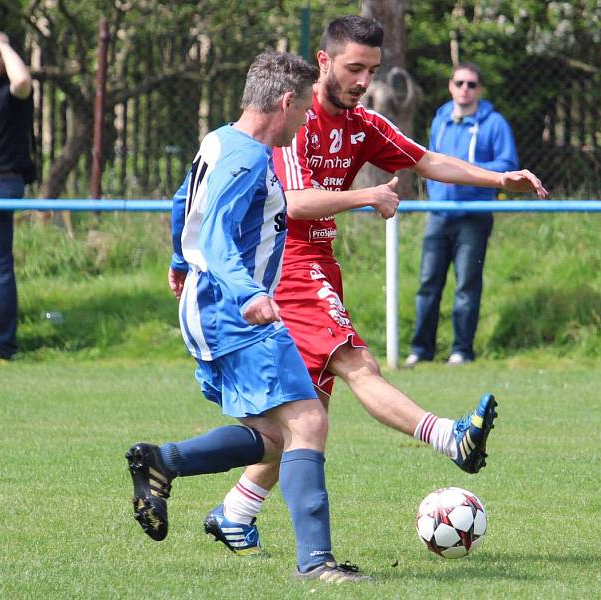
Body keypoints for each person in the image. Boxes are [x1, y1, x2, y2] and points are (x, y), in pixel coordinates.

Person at [128, 15, 547, 556]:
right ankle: (447, 438)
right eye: (354, 68)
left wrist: (498, 179)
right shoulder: (287, 120)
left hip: (317, 264)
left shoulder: (362, 123)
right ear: (324, 63)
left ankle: (231, 508)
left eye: (371, 70)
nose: (362, 80)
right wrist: (365, 197)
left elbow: (426, 159)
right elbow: (292, 201)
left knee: (299, 419)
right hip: (290, 267)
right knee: (354, 367)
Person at [126, 52, 370, 582]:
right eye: (305, 107)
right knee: (309, 420)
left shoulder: (219, 139)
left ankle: (162, 462)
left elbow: (180, 202)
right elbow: (215, 236)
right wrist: (248, 293)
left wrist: (176, 259)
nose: (308, 117)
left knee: (273, 434)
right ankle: (317, 564)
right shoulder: (251, 159)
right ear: (285, 102)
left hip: (211, 306)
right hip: (233, 311)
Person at [405, 63, 518, 367]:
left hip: (475, 215)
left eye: (471, 84)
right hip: (439, 214)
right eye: (459, 83)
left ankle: (461, 351)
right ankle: (420, 350)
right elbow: (429, 159)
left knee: (467, 284)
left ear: (480, 89)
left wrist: (465, 173)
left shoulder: (495, 124)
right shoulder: (441, 119)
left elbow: (507, 163)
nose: (465, 89)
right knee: (428, 282)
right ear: (450, 86)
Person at [0, 30, 34, 360]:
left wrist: (3, 44)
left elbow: (21, 80)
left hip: (0, 185)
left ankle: (3, 345)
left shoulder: (13, 92)